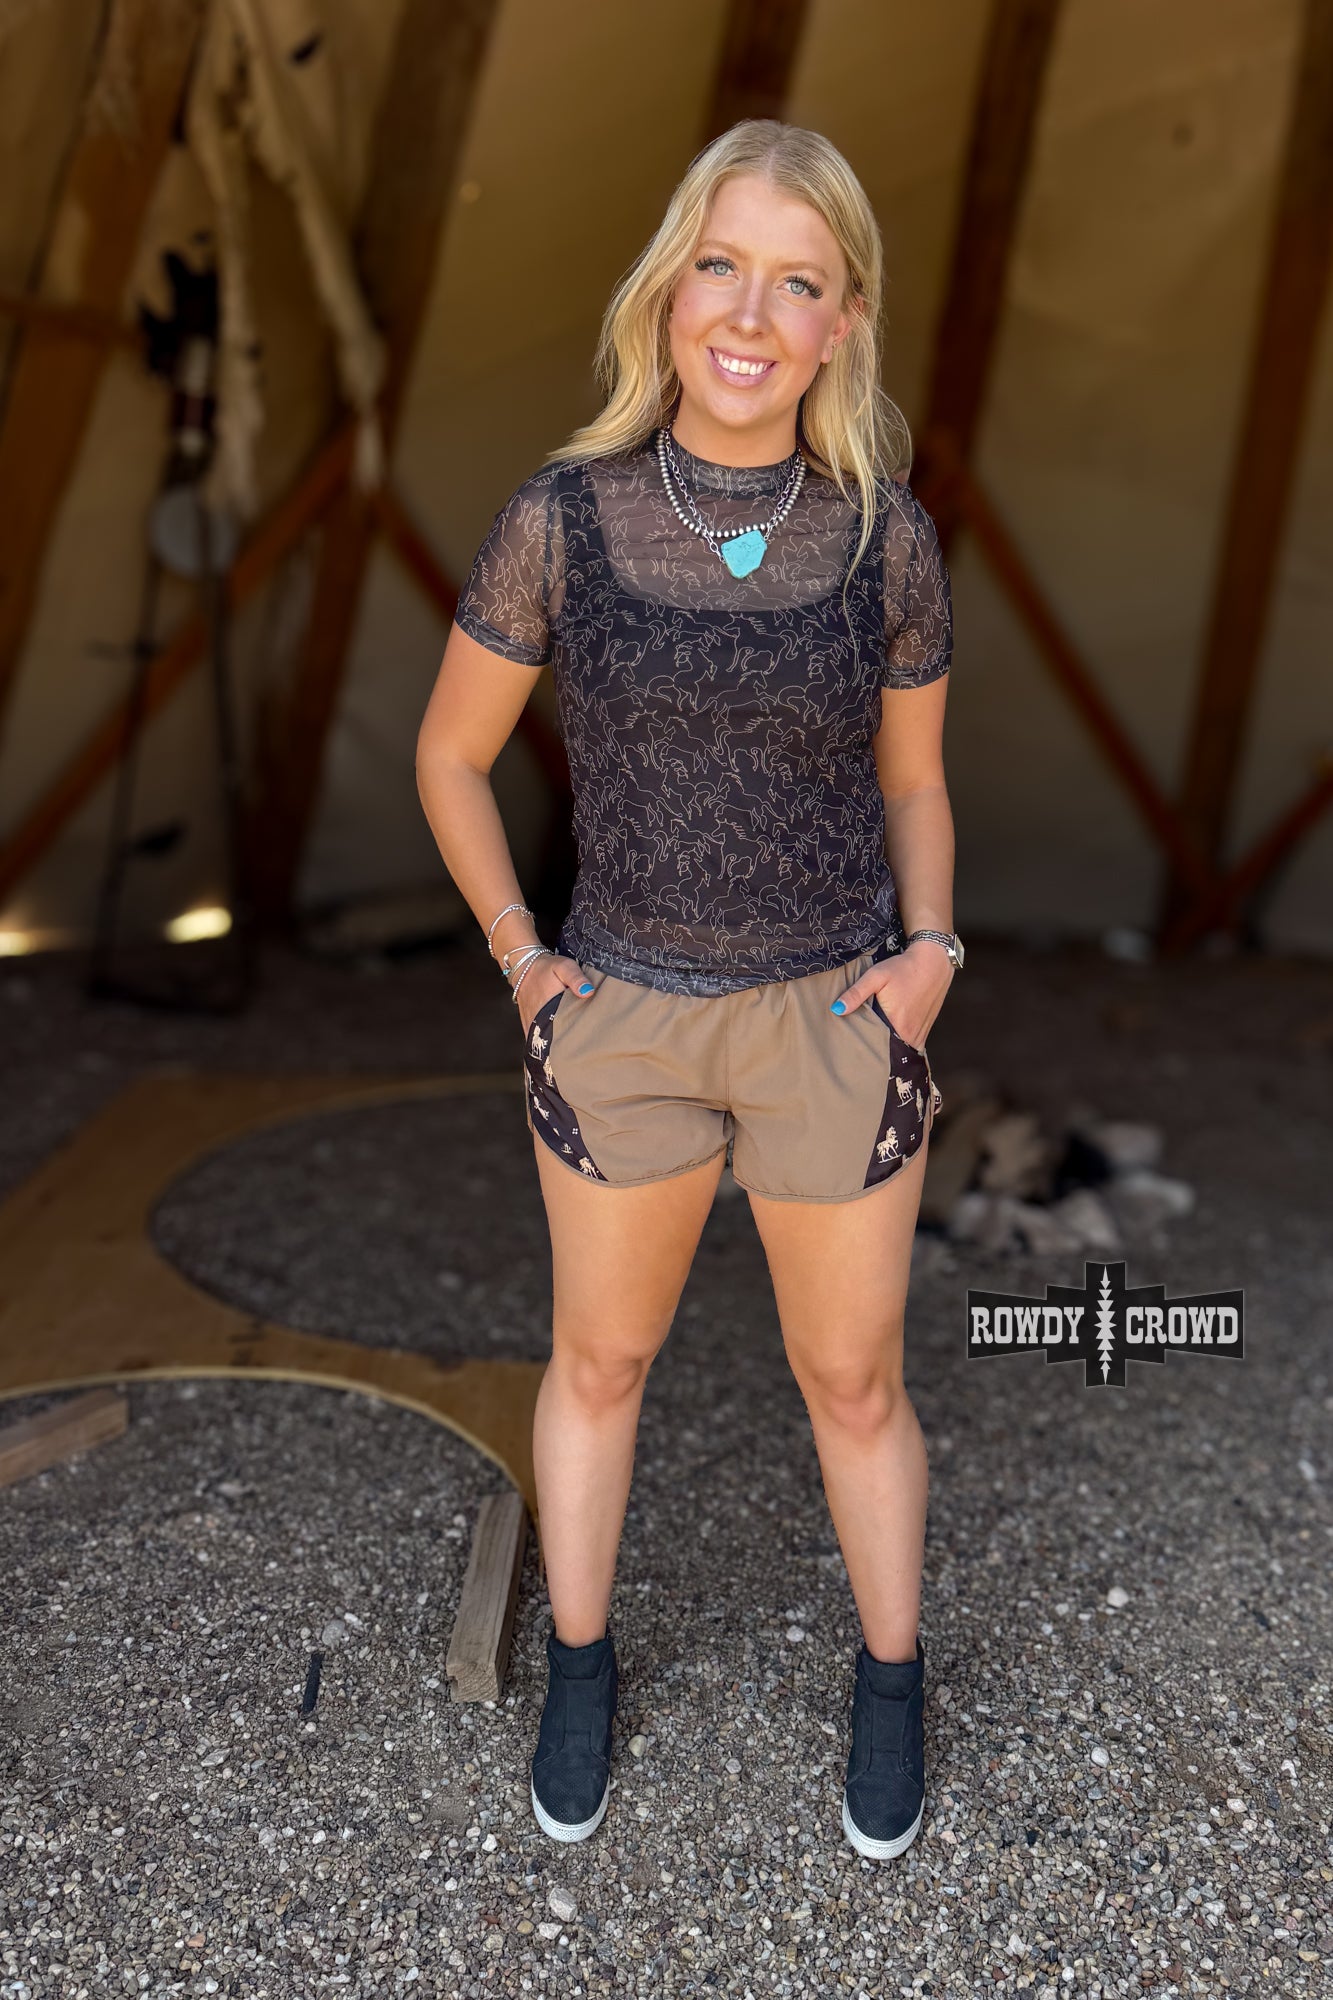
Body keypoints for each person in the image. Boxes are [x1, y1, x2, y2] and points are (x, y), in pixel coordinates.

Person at [415, 118, 959, 1862]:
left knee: (853, 1382)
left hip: (831, 1017)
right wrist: (525, 960)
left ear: (841, 321)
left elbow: (913, 784)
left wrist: (931, 952)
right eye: (720, 265)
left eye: (796, 282)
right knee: (601, 1359)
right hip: (621, 1020)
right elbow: (448, 756)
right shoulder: (560, 520)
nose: (747, 312)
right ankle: (580, 1665)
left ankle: (892, 1681)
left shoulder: (884, 540)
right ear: (666, 287)